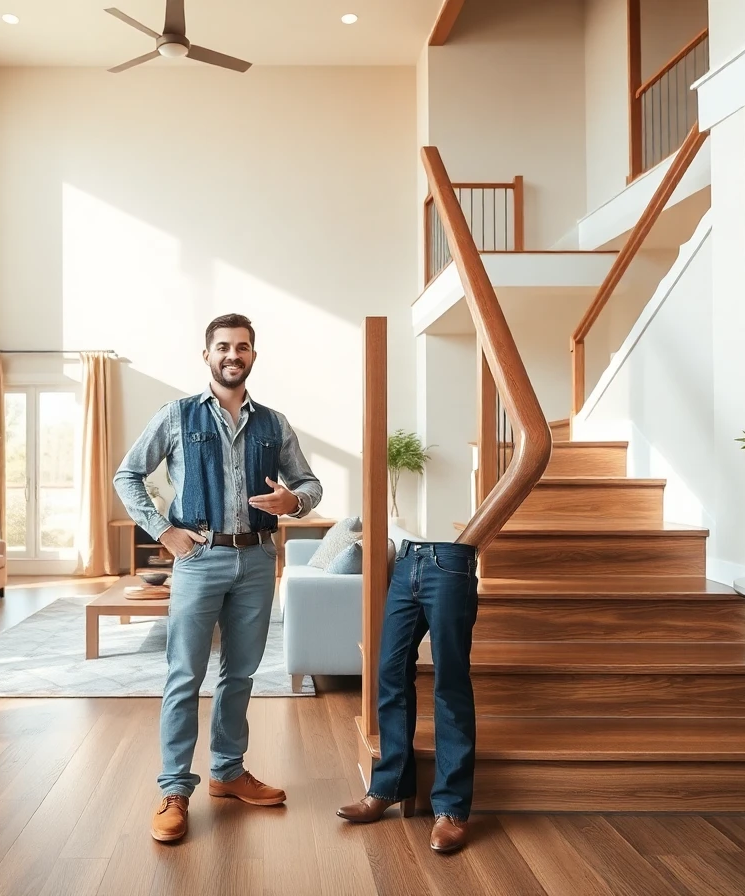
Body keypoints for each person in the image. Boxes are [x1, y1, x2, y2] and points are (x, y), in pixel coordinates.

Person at [114, 313, 323, 844]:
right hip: (199, 559)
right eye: (224, 347)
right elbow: (128, 473)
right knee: (185, 674)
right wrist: (164, 531)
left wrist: (293, 501)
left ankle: (228, 774)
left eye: (243, 347)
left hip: (256, 560)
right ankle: (174, 790)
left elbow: (310, 484)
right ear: (207, 355)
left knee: (240, 675)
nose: (234, 355)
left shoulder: (274, 423)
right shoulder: (178, 416)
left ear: (254, 356)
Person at [335, 538, 478, 854]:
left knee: (450, 683)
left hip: (452, 563)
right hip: (407, 558)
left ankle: (452, 808)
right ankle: (389, 786)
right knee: (390, 670)